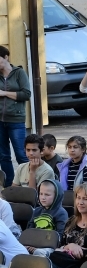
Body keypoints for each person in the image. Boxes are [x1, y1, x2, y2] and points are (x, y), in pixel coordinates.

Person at [0, 45, 31, 186]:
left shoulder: (19, 73)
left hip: (16, 119)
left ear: (6, 57)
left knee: (21, 154)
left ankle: (26, 184)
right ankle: (8, 186)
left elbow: (26, 94)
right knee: (3, 155)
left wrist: (5, 93)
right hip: (0, 120)